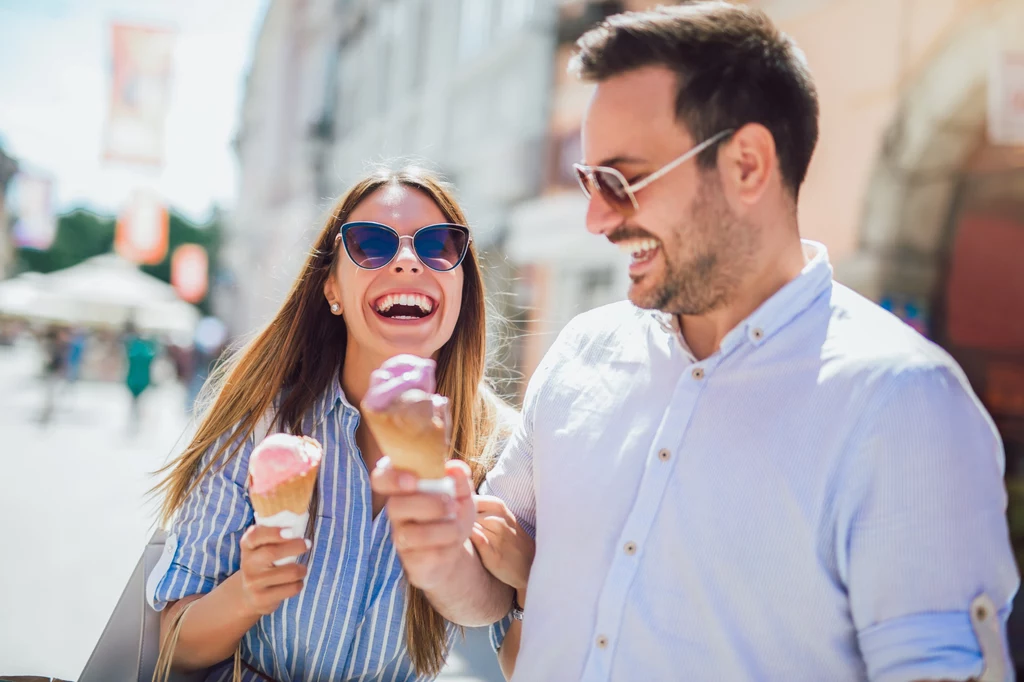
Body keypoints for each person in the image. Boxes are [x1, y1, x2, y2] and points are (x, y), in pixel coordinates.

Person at [372, 4, 1019, 681]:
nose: (597, 219)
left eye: (622, 181)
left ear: (746, 165)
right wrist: (443, 552)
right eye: (591, 183)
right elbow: (496, 590)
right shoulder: (581, 354)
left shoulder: (904, 405)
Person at [146, 166, 514, 681]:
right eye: (370, 244)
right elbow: (175, 645)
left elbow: (525, 645)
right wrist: (246, 592)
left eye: (439, 245)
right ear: (332, 289)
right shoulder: (262, 422)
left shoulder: (499, 450)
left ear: (462, 289)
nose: (408, 261)